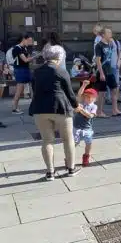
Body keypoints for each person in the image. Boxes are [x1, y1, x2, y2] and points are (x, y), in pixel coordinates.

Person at [30, 45, 82, 180]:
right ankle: (71, 169)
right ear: (59, 57)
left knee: (47, 141)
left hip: (40, 108)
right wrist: (76, 106)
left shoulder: (36, 71)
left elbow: (34, 89)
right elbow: (70, 93)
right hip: (60, 107)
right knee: (67, 138)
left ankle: (50, 172)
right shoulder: (61, 71)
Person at [94, 28, 121, 117]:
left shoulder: (110, 44)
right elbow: (98, 60)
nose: (110, 34)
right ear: (103, 35)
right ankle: (99, 112)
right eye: (108, 32)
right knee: (102, 92)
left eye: (110, 32)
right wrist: (101, 73)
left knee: (114, 89)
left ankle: (115, 110)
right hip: (102, 71)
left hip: (109, 70)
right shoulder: (99, 45)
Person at [73, 80, 97, 167]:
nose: (88, 98)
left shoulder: (94, 106)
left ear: (95, 99)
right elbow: (79, 94)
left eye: (91, 97)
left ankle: (86, 156)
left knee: (88, 143)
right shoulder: (81, 103)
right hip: (77, 127)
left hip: (87, 128)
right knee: (74, 143)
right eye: (86, 96)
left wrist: (81, 110)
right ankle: (69, 158)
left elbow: (90, 116)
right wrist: (83, 85)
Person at [11, 33, 34, 115]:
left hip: (25, 69)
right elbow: (25, 60)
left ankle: (34, 106)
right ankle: (14, 108)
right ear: (24, 39)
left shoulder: (24, 48)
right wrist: (36, 56)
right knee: (19, 90)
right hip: (20, 70)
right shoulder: (17, 48)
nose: (30, 42)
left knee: (32, 86)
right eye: (29, 40)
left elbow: (27, 60)